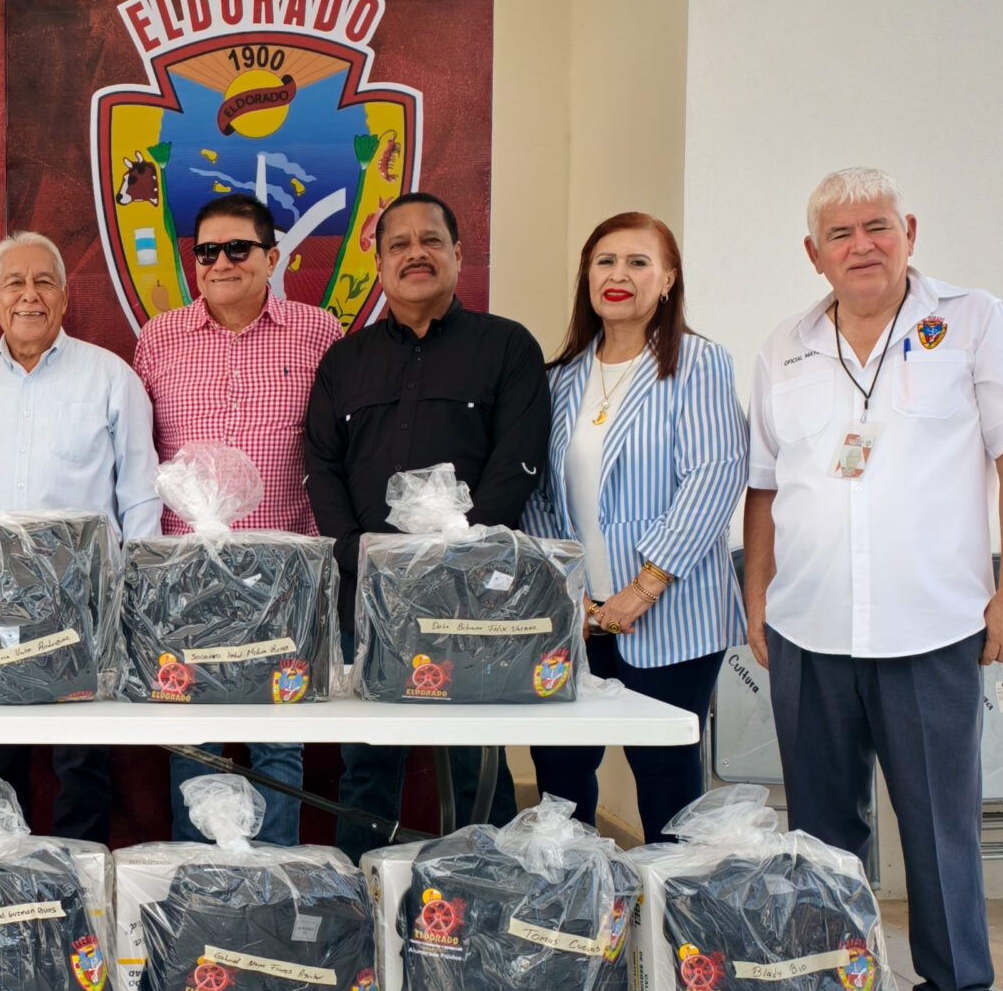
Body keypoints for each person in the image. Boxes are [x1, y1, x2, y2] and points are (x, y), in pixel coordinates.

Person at [744, 167, 1003, 991]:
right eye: (840, 235)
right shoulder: (787, 346)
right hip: (811, 625)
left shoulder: (973, 322)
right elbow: (765, 486)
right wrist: (756, 594)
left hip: (931, 624)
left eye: (876, 226)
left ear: (909, 230)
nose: (862, 246)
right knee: (820, 832)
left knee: (937, 823)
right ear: (815, 253)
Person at [302, 192, 550, 857]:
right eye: (399, 244)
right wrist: (362, 557)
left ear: (459, 255)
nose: (416, 254)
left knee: (476, 764)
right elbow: (322, 466)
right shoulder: (344, 363)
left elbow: (517, 465)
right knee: (368, 764)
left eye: (431, 241)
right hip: (370, 599)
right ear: (378, 262)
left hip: (473, 599)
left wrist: (451, 559)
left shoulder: (507, 347)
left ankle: (488, 901)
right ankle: (363, 901)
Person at [521, 213, 747, 842]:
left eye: (639, 262)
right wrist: (573, 597)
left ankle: (675, 930)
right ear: (586, 277)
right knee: (560, 777)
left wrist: (642, 588)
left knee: (667, 781)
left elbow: (714, 476)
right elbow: (542, 498)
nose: (619, 275)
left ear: (669, 280)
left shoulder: (698, 363)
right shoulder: (559, 377)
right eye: (605, 261)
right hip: (578, 616)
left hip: (670, 612)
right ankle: (576, 915)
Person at [132, 194, 338, 845]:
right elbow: (140, 453)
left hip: (283, 571)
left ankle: (273, 888)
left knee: (279, 744)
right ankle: (197, 892)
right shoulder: (158, 337)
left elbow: (336, 445)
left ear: (272, 257)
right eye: (207, 251)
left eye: (238, 249)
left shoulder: (319, 332)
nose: (221, 262)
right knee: (195, 743)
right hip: (187, 574)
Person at [0, 232, 161, 843]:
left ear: (65, 298)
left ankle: (79, 887)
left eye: (44, 282)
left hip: (82, 601)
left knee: (81, 759)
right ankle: (7, 884)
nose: (29, 296)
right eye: (15, 282)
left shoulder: (110, 377)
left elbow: (140, 493)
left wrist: (134, 597)